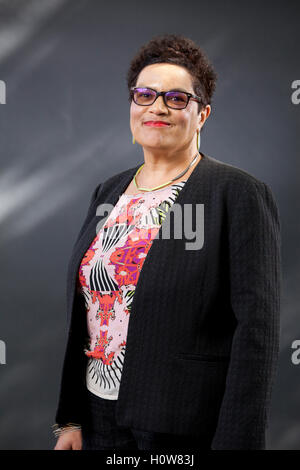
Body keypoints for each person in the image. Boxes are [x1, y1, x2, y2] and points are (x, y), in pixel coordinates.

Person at [53, 33, 281, 450]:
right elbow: (83, 316)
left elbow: (256, 333)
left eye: (176, 98)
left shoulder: (236, 192)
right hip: (97, 417)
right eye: (144, 95)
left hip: (182, 423)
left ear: (203, 114)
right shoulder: (109, 190)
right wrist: (70, 419)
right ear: (132, 106)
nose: (157, 107)